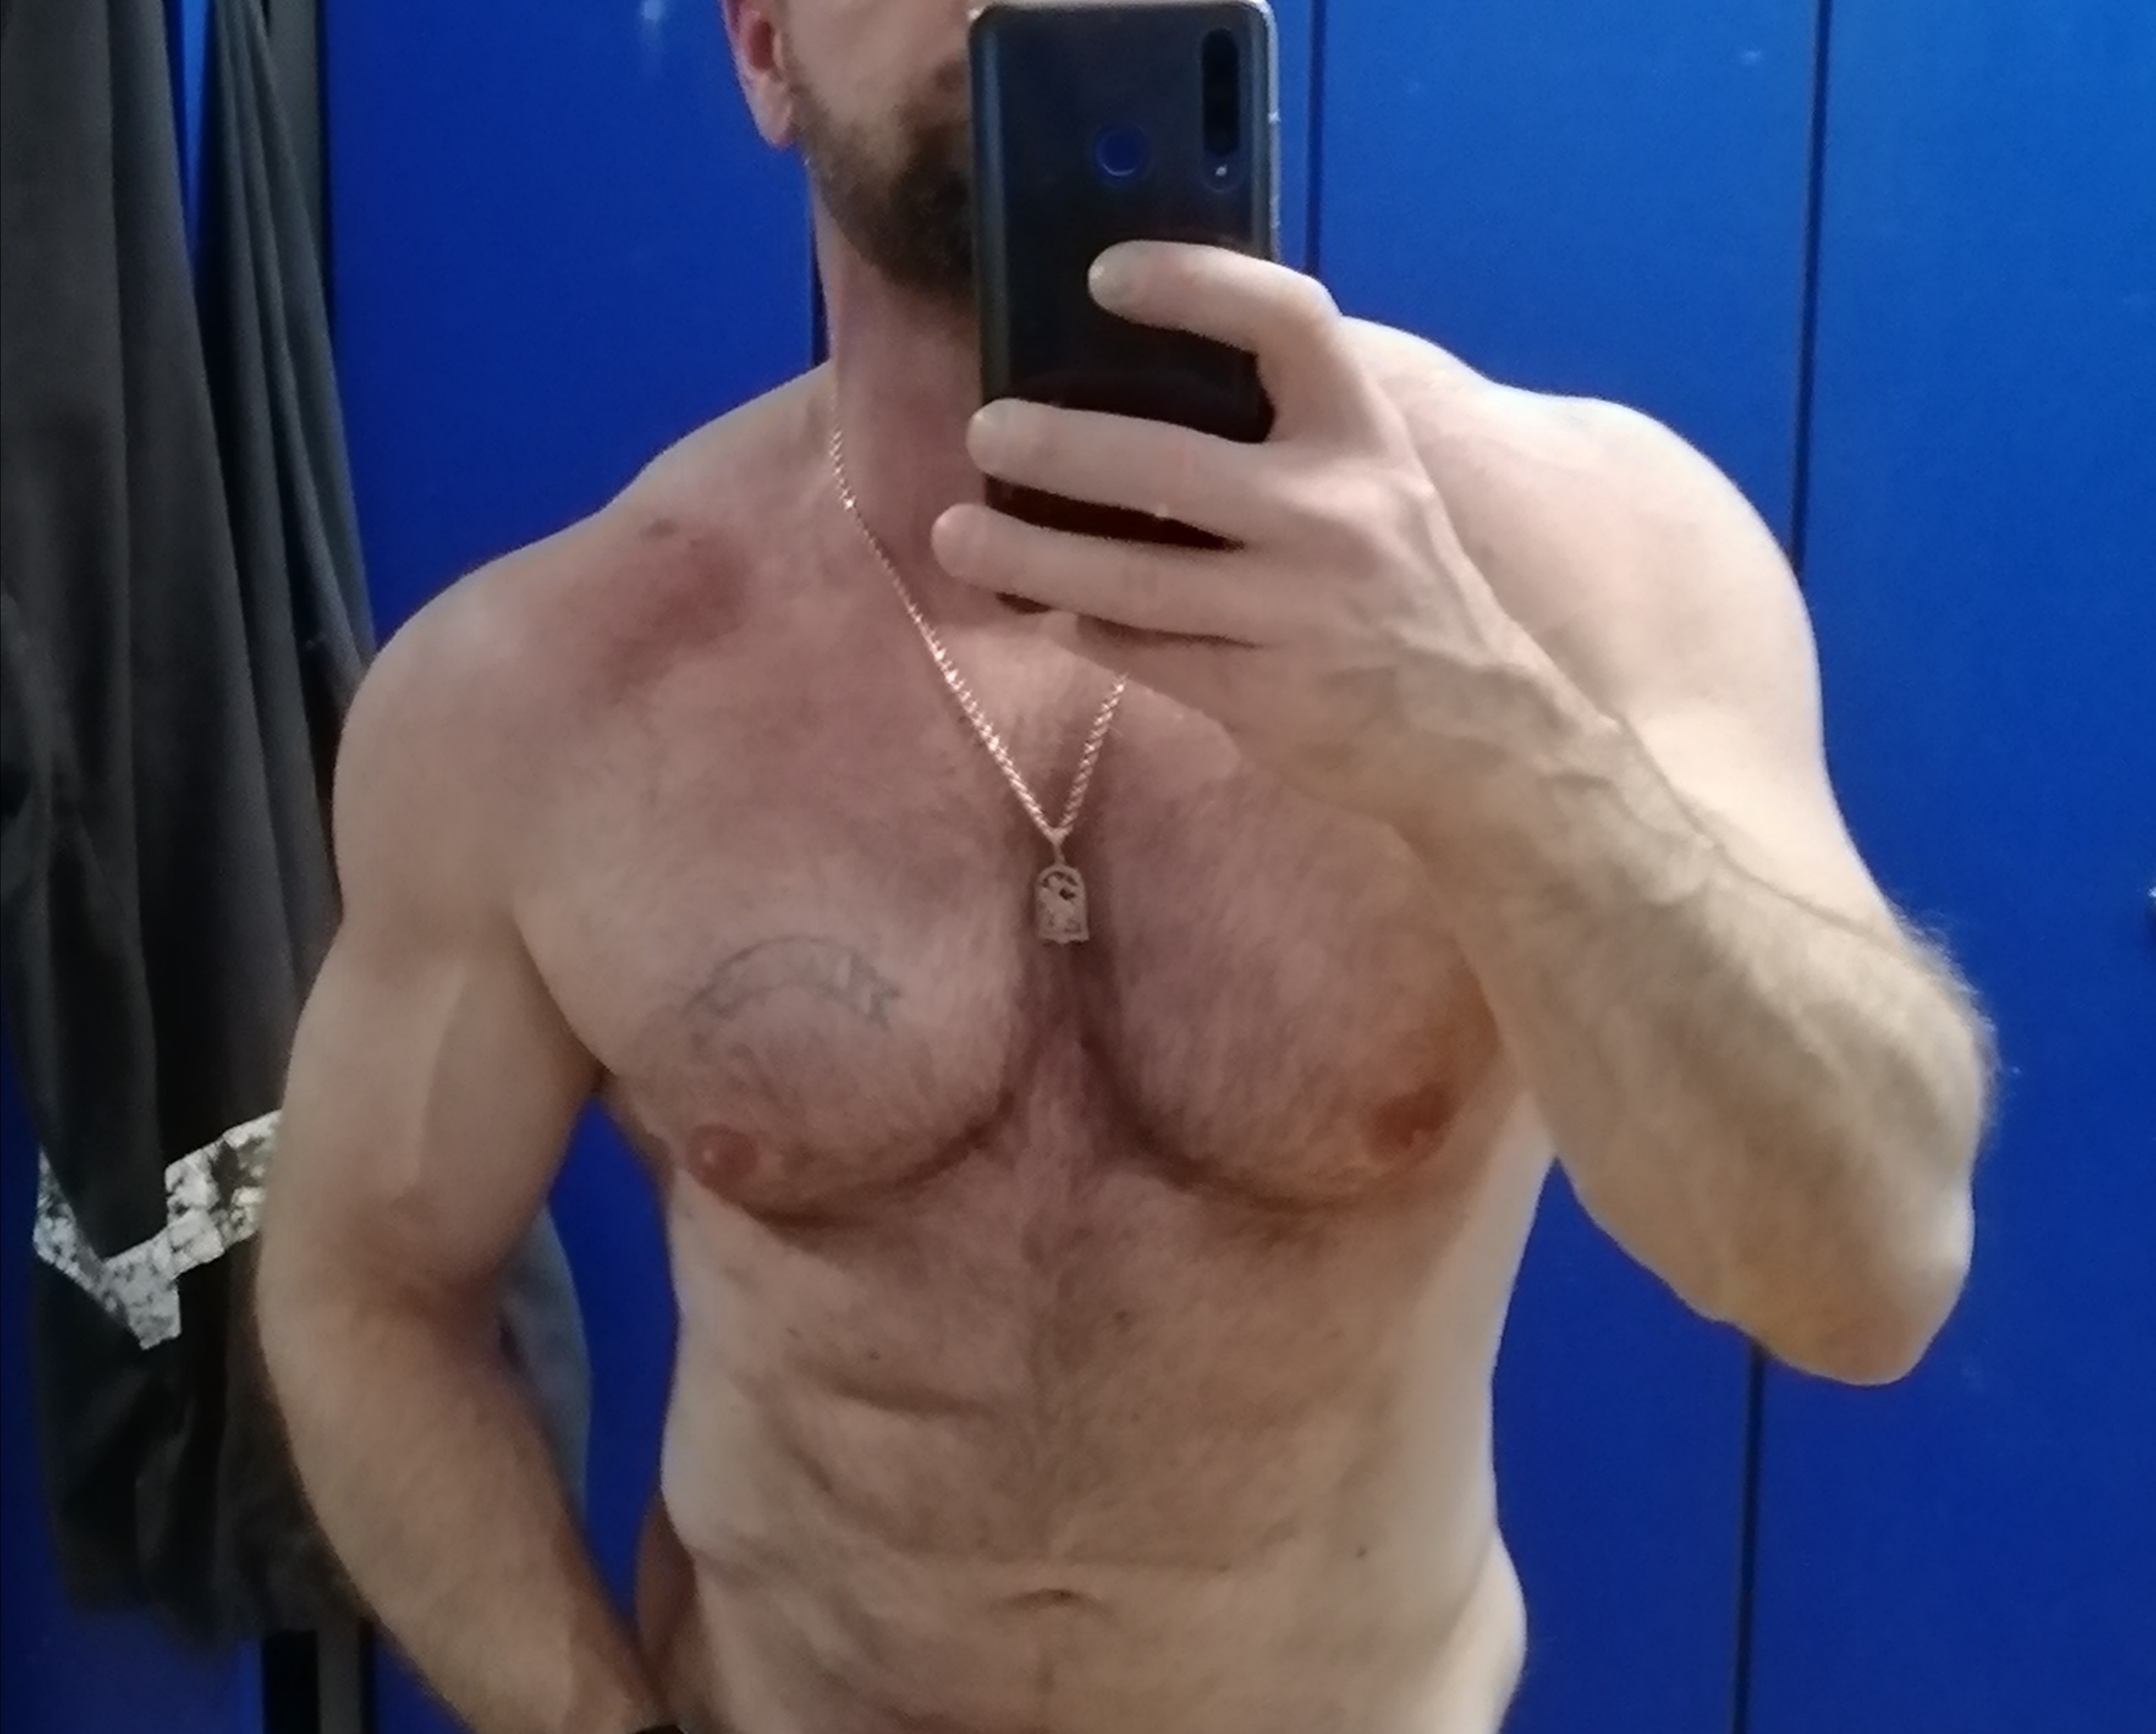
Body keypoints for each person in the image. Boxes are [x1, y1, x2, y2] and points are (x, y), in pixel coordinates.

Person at [256, 3, 1993, 1730]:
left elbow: (1869, 1268)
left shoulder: (1581, 564)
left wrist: (1477, 731)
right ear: (767, 50)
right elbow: (362, 1289)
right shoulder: (543, 691)